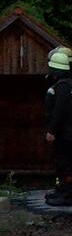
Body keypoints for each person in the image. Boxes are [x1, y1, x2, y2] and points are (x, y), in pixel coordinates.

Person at [44, 48, 72, 206]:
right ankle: (61, 190)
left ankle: (67, 195)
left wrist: (51, 130)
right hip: (65, 132)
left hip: (65, 133)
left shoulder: (63, 86)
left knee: (65, 164)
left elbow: (59, 110)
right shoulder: (64, 84)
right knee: (61, 163)